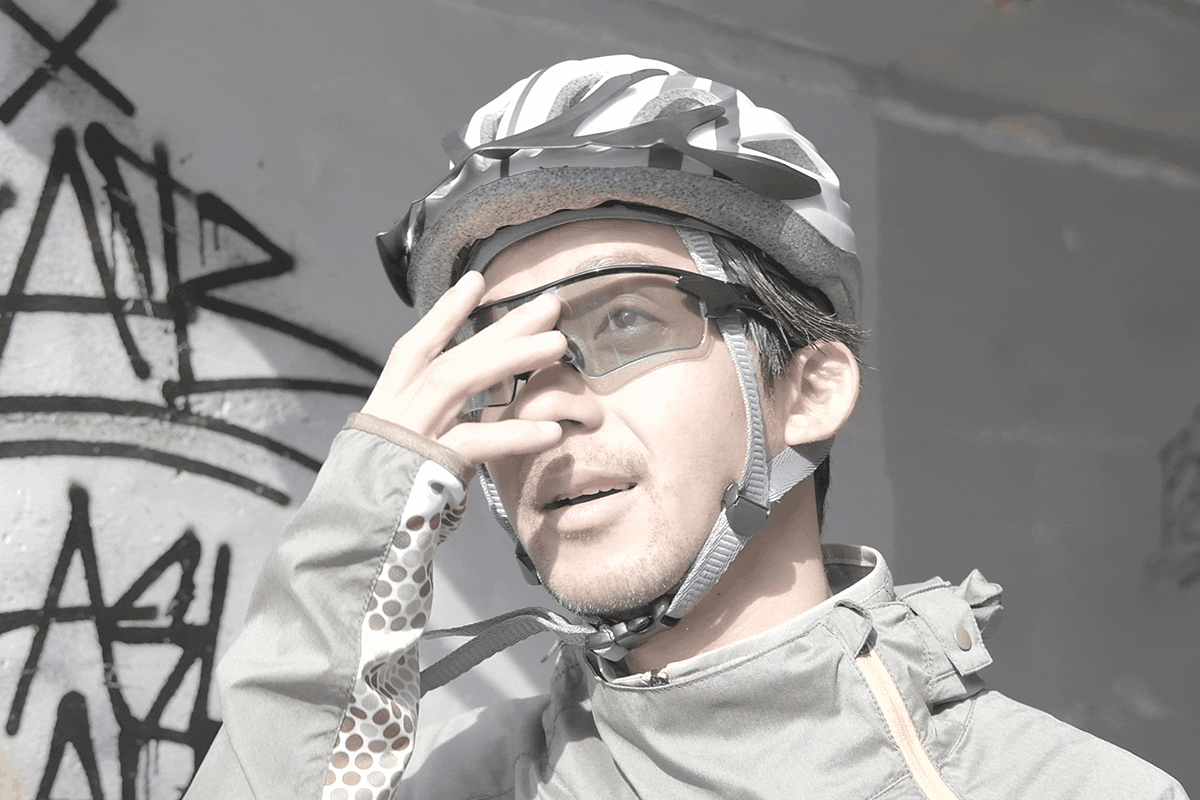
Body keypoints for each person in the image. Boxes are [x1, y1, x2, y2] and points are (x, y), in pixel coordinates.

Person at [184, 55, 1187, 799]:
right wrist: (360, 512)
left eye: (625, 320)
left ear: (808, 391)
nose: (544, 401)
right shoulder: (464, 783)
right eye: (502, 361)